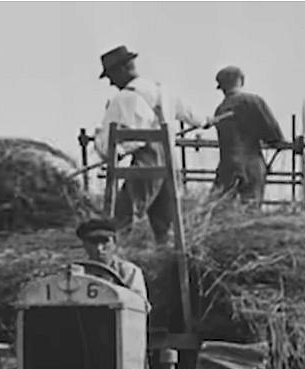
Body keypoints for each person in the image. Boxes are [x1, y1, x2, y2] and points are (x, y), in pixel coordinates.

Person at [94, 45, 212, 244]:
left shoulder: (123, 98)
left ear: (123, 69)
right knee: (164, 222)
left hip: (147, 161)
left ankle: (114, 256)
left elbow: (118, 141)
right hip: (170, 161)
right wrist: (208, 121)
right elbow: (194, 117)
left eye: (111, 76)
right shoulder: (162, 89)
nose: (111, 83)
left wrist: (111, 150)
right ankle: (166, 259)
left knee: (122, 213)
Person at [211, 66, 285, 207]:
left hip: (227, 166)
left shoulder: (220, 110)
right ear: (242, 81)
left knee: (221, 210)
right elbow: (274, 135)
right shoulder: (254, 102)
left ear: (222, 87)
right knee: (251, 210)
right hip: (251, 164)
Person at [76, 217, 148, 303]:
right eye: (93, 242)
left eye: (104, 241)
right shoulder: (78, 272)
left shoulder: (129, 272)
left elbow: (140, 305)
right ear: (85, 245)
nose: (99, 248)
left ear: (114, 242)